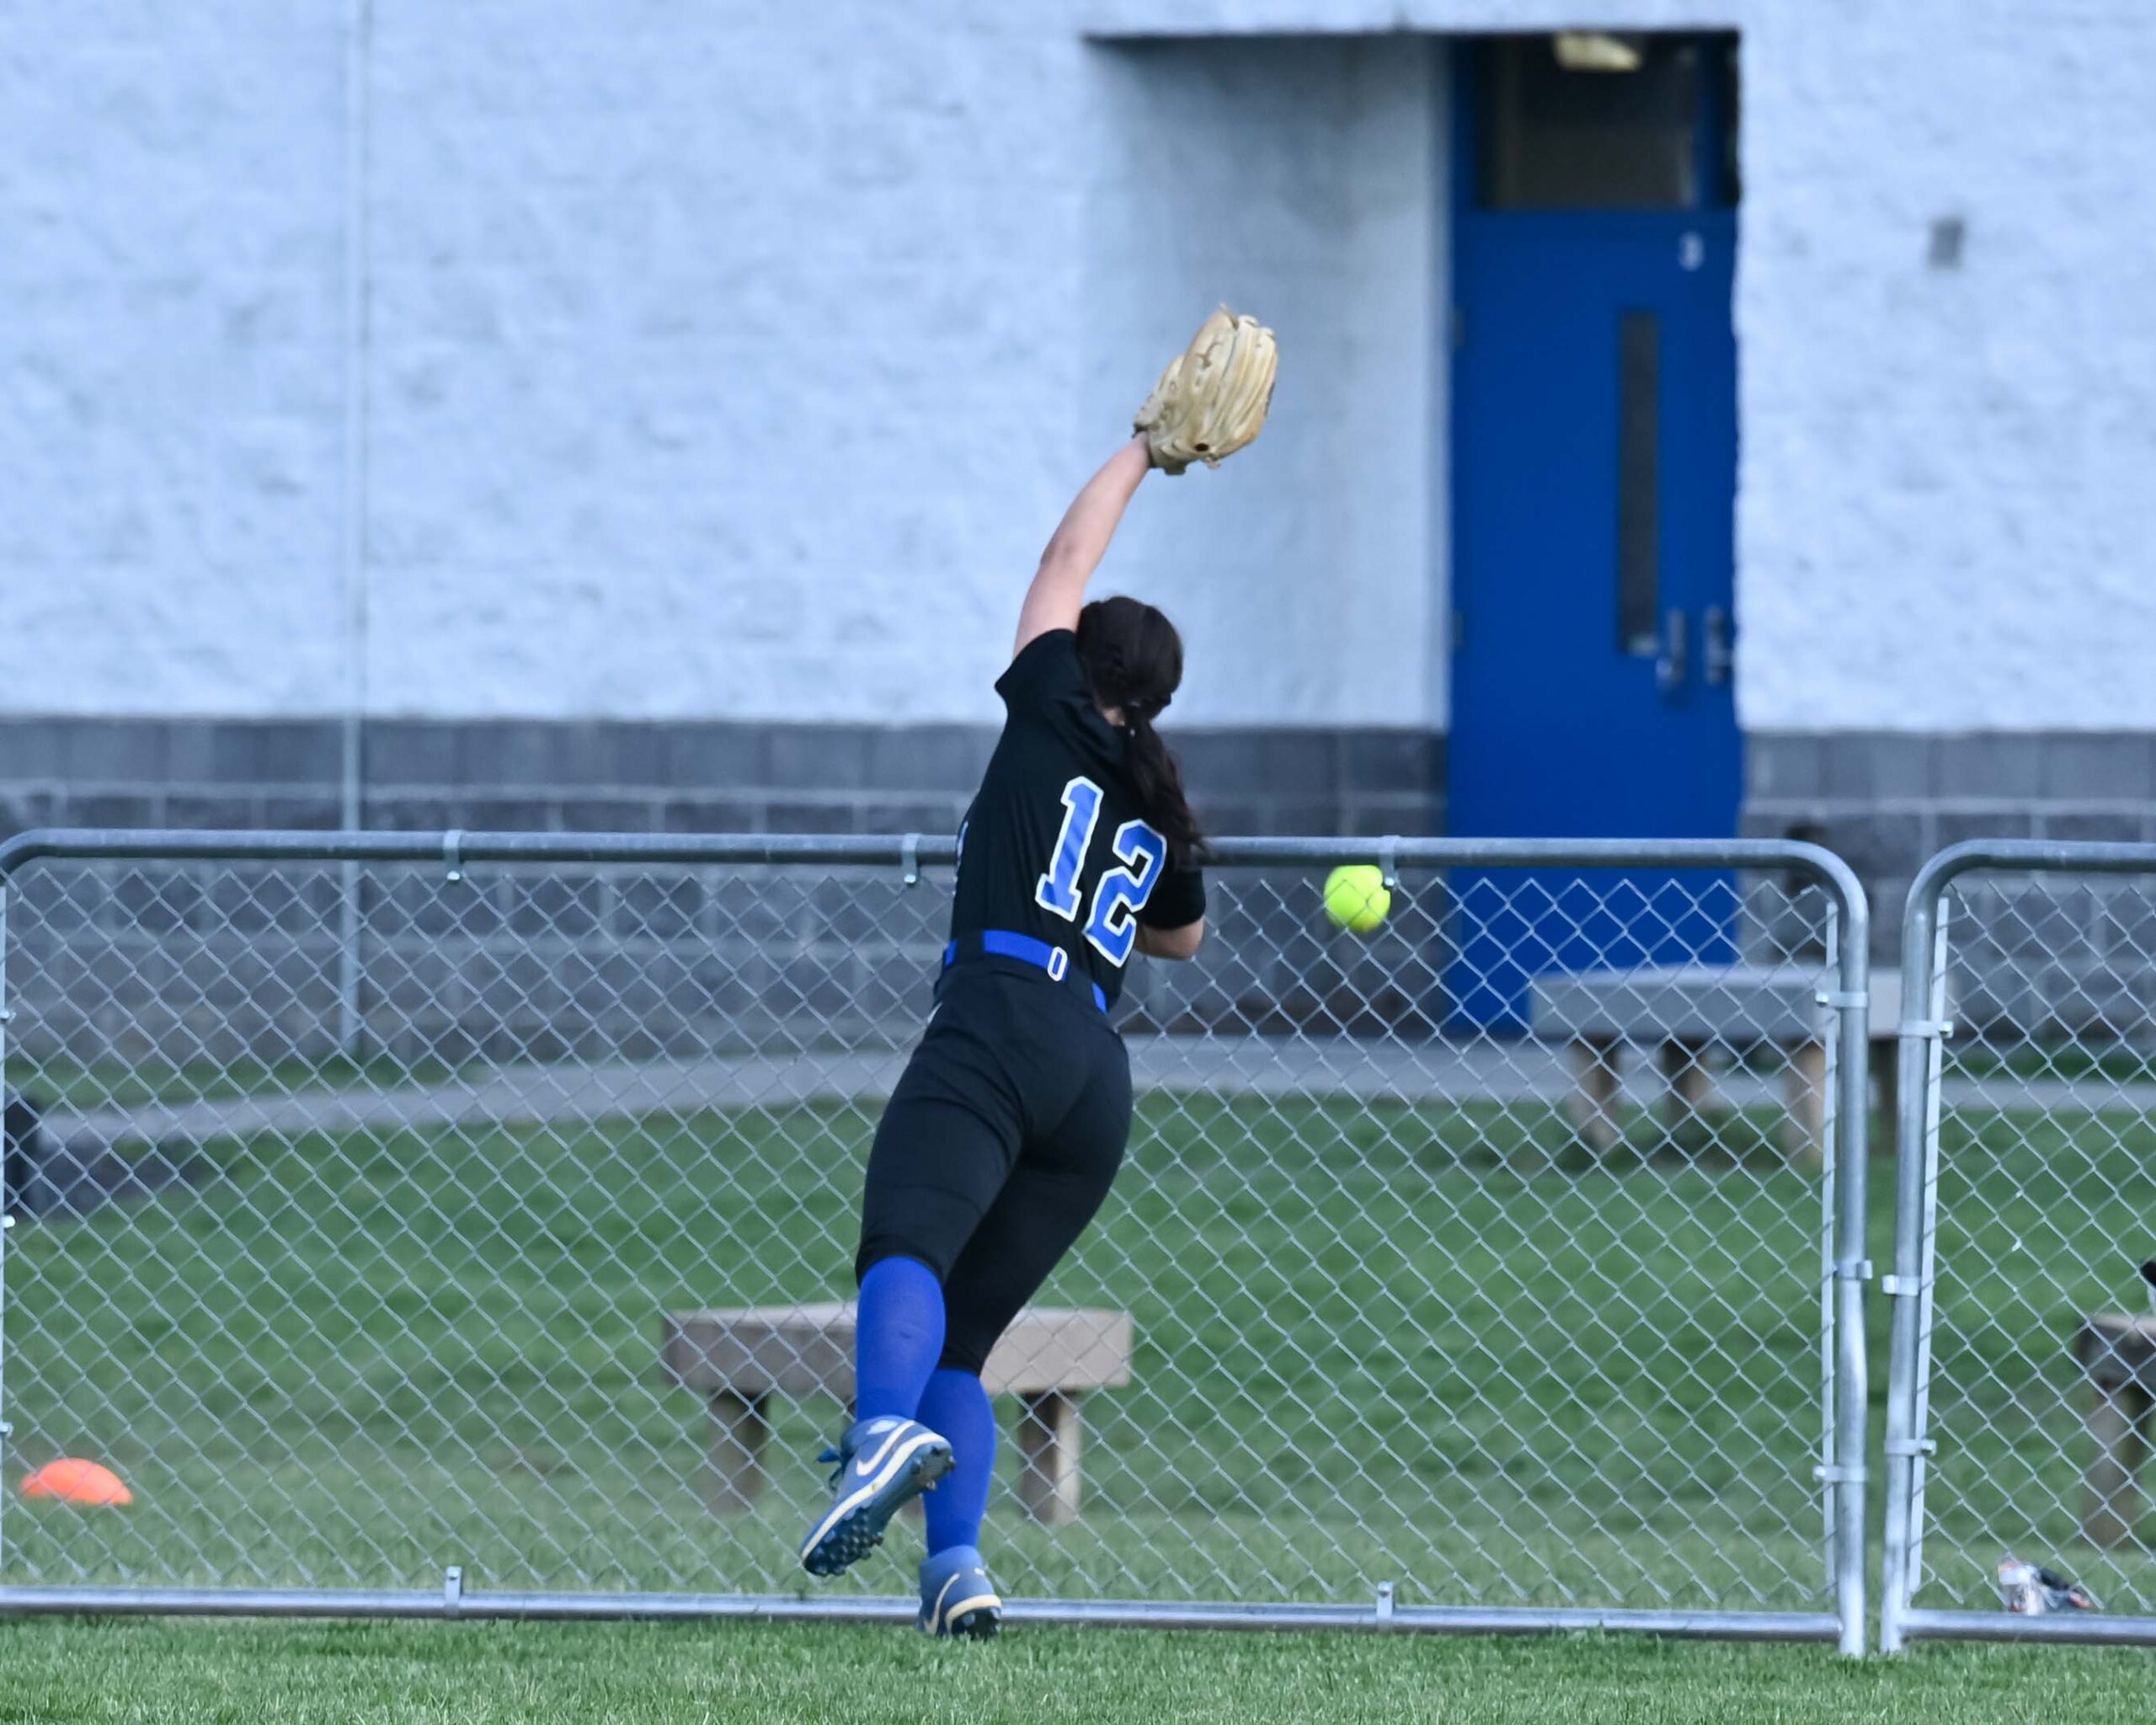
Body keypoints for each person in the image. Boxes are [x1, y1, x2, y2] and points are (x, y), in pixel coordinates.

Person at [798, 435, 1208, 1637]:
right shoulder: (1158, 796)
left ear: (1080, 664)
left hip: (1000, 1015)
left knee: (904, 1243)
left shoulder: (1049, 708)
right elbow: (1180, 940)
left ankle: (880, 1435)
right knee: (964, 1343)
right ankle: (956, 1572)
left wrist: (1144, 451)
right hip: (1095, 1079)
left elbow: (1062, 558)